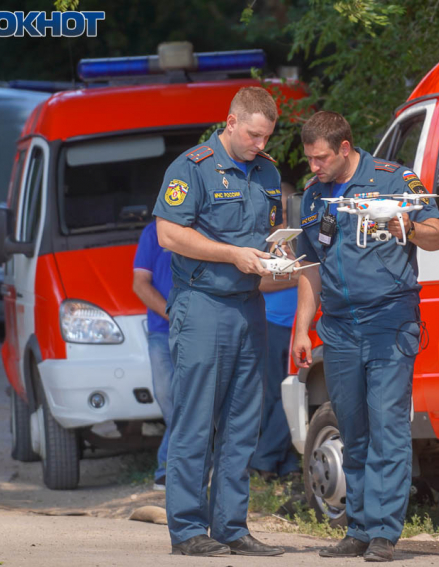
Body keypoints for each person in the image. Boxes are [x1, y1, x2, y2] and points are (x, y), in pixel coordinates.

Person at [292, 111, 439, 562]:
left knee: (387, 426)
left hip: (389, 320)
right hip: (338, 325)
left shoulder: (394, 179)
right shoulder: (315, 197)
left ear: (344, 148)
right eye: (309, 160)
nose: (314, 167)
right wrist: (302, 327)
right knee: (353, 428)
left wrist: (408, 228)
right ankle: (358, 528)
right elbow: (311, 266)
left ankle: (384, 532)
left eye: (320, 158)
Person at [153, 86, 285, 558]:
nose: (259, 145)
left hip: (250, 306)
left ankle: (231, 527)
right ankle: (188, 529)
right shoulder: (193, 167)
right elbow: (169, 234)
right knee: (195, 420)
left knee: (241, 422)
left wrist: (279, 257)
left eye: (266, 137)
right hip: (203, 304)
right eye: (252, 135)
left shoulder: (267, 171)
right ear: (231, 122)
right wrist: (232, 254)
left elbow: (271, 233)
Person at [250, 182, 302, 480]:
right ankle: (279, 464)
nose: (281, 216)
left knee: (294, 391)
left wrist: (295, 273)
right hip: (271, 324)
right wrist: (297, 277)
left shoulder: (300, 238)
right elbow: (259, 282)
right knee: (272, 397)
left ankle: (272, 462)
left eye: (285, 210)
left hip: (301, 326)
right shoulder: (262, 241)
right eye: (276, 211)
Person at [132, 220, 173, 492]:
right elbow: (140, 284)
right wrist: (173, 315)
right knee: (169, 399)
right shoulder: (152, 232)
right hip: (162, 330)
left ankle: (168, 469)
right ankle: (184, 467)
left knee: (190, 401)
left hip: (199, 331)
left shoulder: (207, 227)